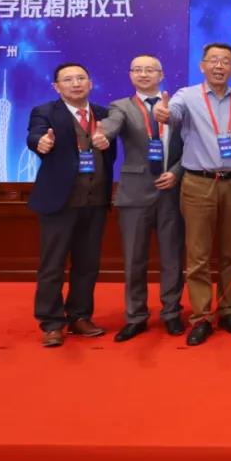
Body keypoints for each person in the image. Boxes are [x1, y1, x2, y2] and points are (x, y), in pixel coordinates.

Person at [155, 43, 231, 347]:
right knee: (198, 255)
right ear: (202, 66)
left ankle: (228, 309)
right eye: (213, 60)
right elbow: (173, 115)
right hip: (198, 182)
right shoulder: (186, 96)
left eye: (225, 61)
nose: (219, 66)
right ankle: (201, 317)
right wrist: (163, 113)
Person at [95, 55, 186, 342]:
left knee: (173, 258)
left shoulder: (178, 107)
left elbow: (191, 146)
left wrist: (176, 172)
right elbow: (111, 125)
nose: (143, 74)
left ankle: (171, 312)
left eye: (149, 70)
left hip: (171, 192)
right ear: (130, 75)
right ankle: (135, 316)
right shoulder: (121, 106)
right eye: (137, 70)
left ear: (161, 74)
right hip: (134, 194)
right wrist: (101, 135)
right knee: (134, 259)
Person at [26, 62, 116, 347]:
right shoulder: (45, 112)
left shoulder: (104, 114)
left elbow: (110, 152)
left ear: (90, 83)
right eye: (68, 80)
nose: (76, 84)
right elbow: (35, 136)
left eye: (81, 78)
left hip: (96, 200)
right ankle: (51, 322)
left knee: (88, 264)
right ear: (57, 87)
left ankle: (79, 315)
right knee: (53, 265)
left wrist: (106, 144)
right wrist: (40, 143)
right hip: (59, 202)